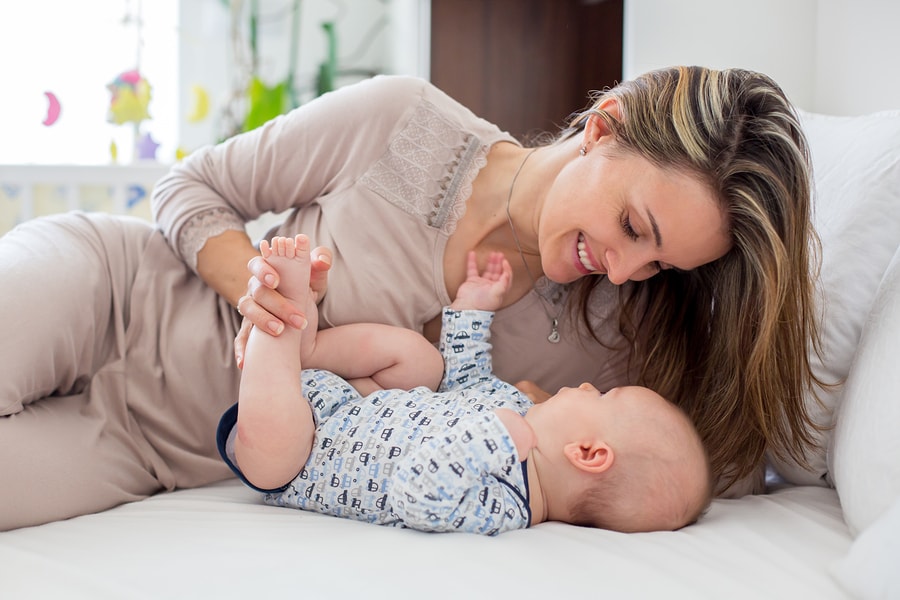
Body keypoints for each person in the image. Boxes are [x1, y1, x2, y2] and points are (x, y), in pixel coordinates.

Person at [0, 66, 822, 531]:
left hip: (149, 451)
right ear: (603, 128)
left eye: (658, 264)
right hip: (112, 292)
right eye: (634, 227)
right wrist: (268, 297)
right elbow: (189, 188)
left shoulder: (607, 347)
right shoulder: (404, 123)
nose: (623, 270)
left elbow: (686, 469)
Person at [219, 234, 711, 534]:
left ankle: (286, 316)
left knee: (279, 449)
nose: (586, 387)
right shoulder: (518, 407)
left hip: (296, 459)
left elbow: (417, 494)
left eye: (602, 396)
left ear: (587, 452)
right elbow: (467, 381)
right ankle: (308, 349)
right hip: (347, 402)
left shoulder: (505, 505)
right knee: (422, 361)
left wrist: (496, 438)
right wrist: (472, 312)